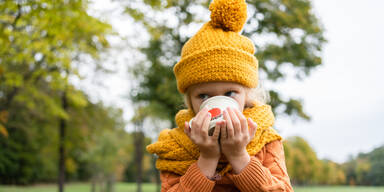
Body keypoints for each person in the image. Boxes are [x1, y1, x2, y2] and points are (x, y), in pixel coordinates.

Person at [146, 0, 293, 191]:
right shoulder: (176, 146)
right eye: (204, 96)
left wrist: (239, 155)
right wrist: (207, 158)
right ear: (189, 101)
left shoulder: (265, 139)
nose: (216, 104)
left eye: (230, 93)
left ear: (247, 94)